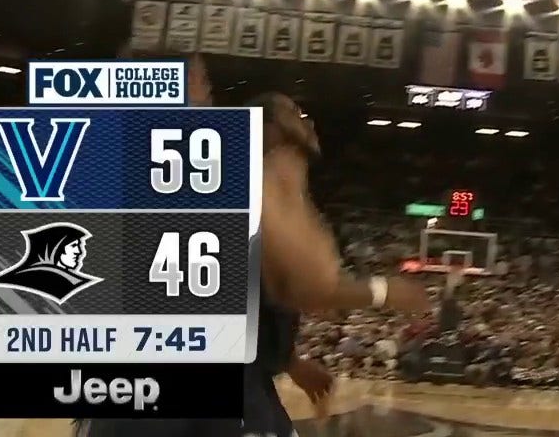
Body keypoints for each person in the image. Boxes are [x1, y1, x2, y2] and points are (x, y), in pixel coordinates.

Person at [77, 85, 430, 437]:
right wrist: (384, 291)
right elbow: (306, 285)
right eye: (296, 112)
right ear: (271, 129)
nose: (308, 121)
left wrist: (289, 360)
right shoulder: (260, 175)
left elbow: (259, 289)